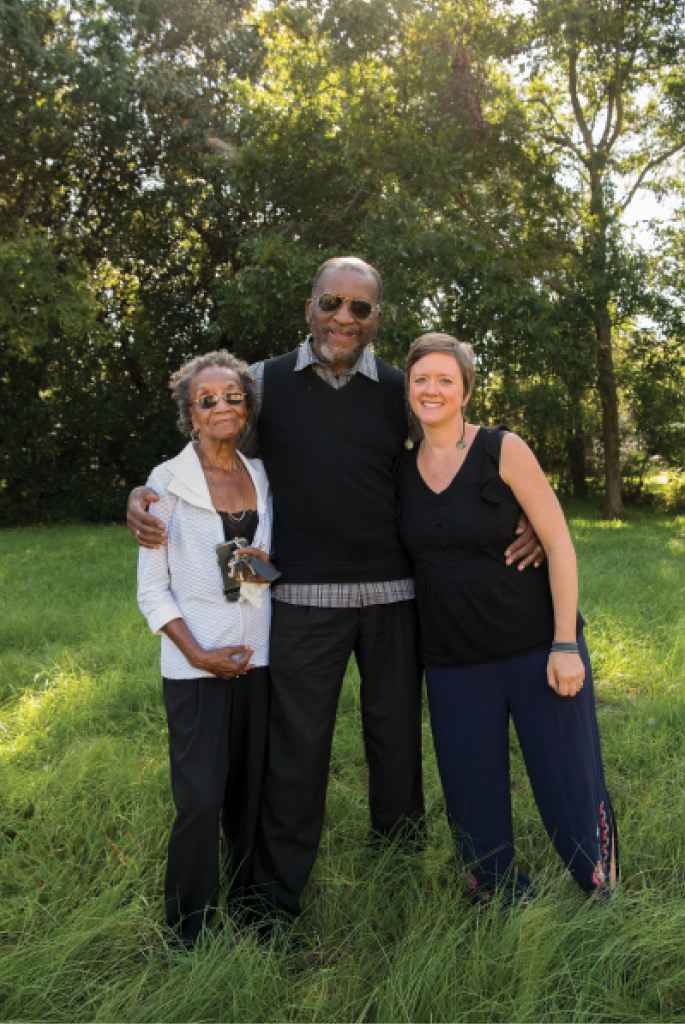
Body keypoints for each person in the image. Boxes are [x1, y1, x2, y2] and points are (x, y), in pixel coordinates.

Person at [128, 257, 542, 924]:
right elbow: (213, 452)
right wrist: (143, 492)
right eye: (331, 303)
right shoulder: (260, 384)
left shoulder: (395, 389)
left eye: (359, 307)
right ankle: (274, 901)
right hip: (298, 602)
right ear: (309, 307)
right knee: (295, 756)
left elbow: (457, 449)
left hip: (395, 599)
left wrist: (524, 512)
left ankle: (399, 877)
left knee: (396, 747)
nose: (343, 318)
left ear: (377, 318)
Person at [397, 332, 617, 901]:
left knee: (567, 780)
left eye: (446, 379)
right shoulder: (400, 469)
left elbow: (559, 544)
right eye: (421, 379)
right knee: (472, 793)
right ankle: (493, 895)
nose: (432, 389)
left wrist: (565, 644)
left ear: (465, 389)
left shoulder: (502, 448)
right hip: (452, 661)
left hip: (534, 646)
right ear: (408, 388)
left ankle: (600, 887)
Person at [136, 350, 277, 946]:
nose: (222, 406)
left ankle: (249, 908)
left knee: (251, 796)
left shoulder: (264, 475)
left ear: (247, 407)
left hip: (259, 663)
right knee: (198, 799)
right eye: (208, 399)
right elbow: (151, 591)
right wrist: (197, 654)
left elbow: (262, 567)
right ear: (190, 414)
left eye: (233, 396)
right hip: (195, 670)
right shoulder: (166, 484)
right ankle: (189, 928)